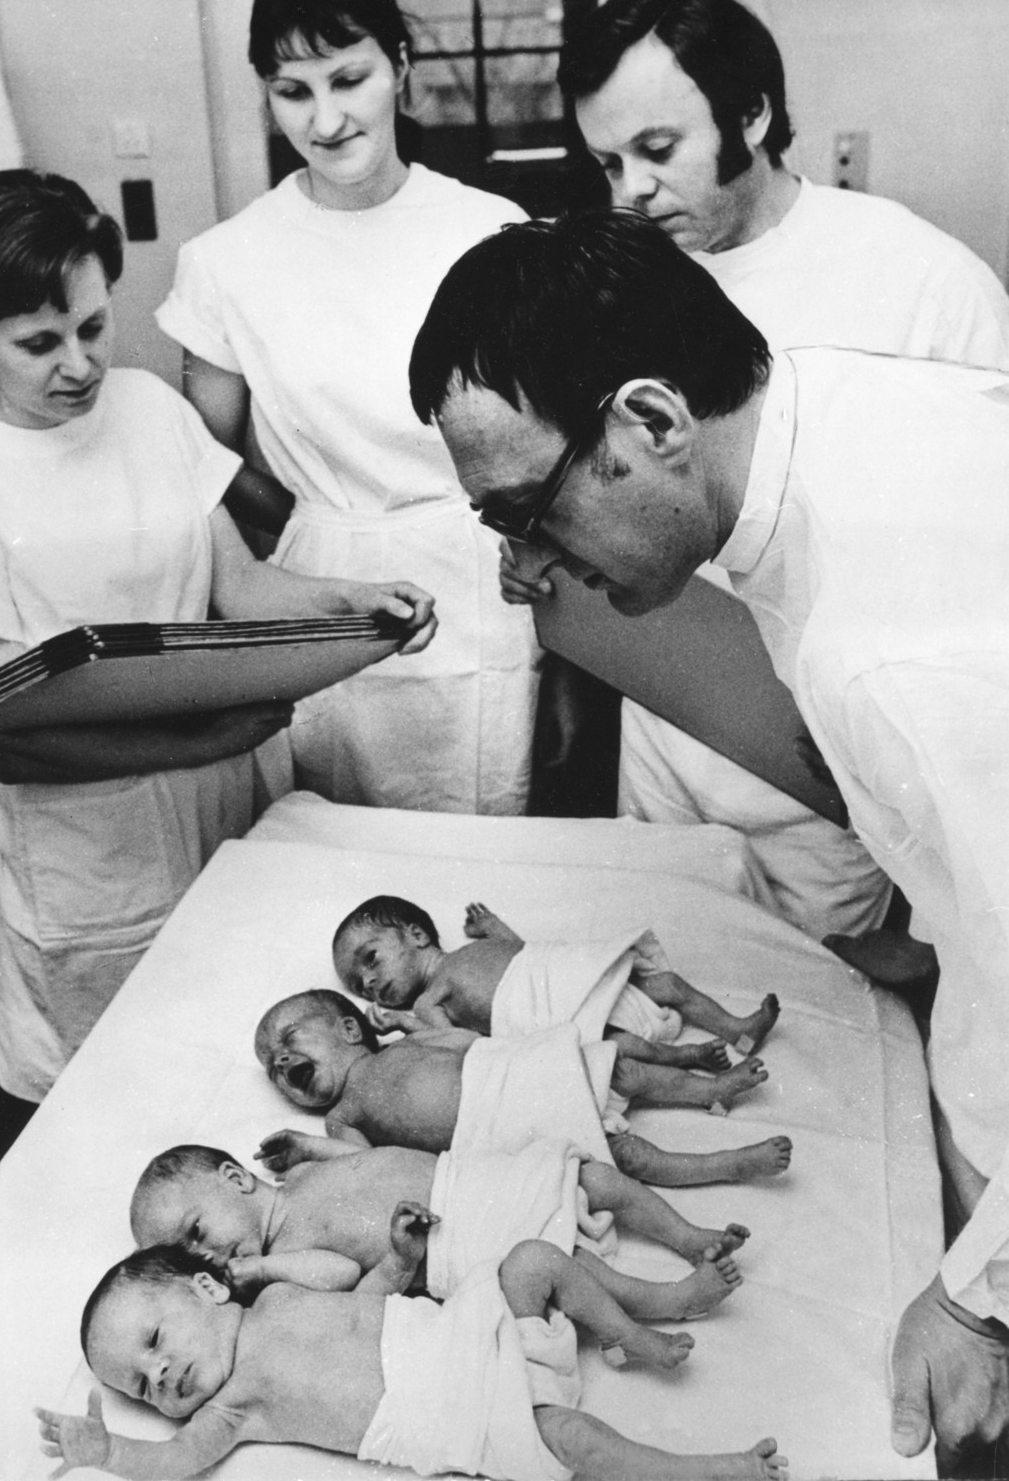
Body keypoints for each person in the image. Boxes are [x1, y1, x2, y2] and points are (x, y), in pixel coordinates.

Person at [408, 204, 1009, 1473]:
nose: (525, 557)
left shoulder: (888, 653)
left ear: (654, 422)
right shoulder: (830, 411)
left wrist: (977, 1299)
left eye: (526, 508)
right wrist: (945, 922)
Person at [500, 0, 1009, 944]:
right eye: (605, 161)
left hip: (832, 777)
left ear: (752, 114)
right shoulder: (617, 287)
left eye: (656, 151)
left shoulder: (921, 284)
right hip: (662, 742)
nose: (630, 192)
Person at [0, 170, 434, 1104]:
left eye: (92, 326)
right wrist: (211, 737)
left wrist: (357, 604)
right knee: (125, 1102)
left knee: (263, 1079)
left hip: (229, 806)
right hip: (94, 858)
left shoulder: (149, 407)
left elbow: (239, 583)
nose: (78, 363)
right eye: (38, 344)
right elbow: (2, 731)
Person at [154, 0, 539, 814]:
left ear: (399, 65)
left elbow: (538, 446)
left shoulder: (488, 229)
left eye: (347, 78)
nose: (324, 121)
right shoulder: (226, 261)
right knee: (331, 855)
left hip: (479, 585)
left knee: (479, 850)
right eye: (292, 92)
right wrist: (304, 526)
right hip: (318, 597)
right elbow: (203, 465)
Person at [36, 1230, 789, 1481]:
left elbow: (354, 1287)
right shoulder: (236, 1406)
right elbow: (180, 1462)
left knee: (532, 1260)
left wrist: (395, 1261)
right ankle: (712, 1470)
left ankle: (650, 1319)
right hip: (462, 1412)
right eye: (142, 1385)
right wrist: (109, 1449)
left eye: (154, 1343)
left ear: (207, 1287)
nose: (159, 1375)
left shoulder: (274, 1298)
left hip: (462, 1333)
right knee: (575, 1443)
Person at [130, 1142, 743, 1351]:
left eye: (196, 1232)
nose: (203, 1257)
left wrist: (311, 1147)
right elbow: (346, 1278)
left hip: (468, 1184)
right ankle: (668, 1300)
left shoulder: (302, 1179)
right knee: (564, 1262)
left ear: (237, 1179)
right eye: (187, 1257)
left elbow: (367, 1159)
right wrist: (260, 1266)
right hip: (456, 1247)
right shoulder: (282, 1268)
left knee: (593, 1179)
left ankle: (688, 1236)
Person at [256, 988, 774, 1177]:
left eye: (289, 1038)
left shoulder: (404, 1046)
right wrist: (306, 1148)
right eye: (273, 1068)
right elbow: (367, 1165)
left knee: (622, 1070)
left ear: (350, 1028)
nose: (281, 1061)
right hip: (498, 1137)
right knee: (629, 1159)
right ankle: (728, 1164)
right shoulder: (340, 1116)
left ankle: (709, 1088)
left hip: (515, 1076)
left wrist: (417, 1024)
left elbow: (467, 1041)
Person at [332, 893, 780, 1061]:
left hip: (565, 982)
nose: (369, 983)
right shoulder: (429, 1001)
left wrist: (493, 928)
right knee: (618, 1049)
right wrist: (405, 1023)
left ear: (415, 934)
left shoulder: (471, 951)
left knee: (668, 986)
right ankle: (699, 1063)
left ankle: (737, 1029)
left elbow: (523, 955)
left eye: (370, 959)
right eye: (358, 985)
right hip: (556, 1020)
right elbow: (454, 1046)